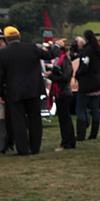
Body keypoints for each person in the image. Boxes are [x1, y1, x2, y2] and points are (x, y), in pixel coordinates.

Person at [0, 26, 58, 155]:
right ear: (19, 37)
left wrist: (1, 94)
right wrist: (57, 46)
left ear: (6, 39)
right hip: (33, 89)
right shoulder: (31, 47)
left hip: (14, 92)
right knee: (35, 119)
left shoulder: (3, 53)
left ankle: (23, 149)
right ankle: (35, 147)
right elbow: (48, 55)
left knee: (18, 122)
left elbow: (1, 76)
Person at [74, 29, 100, 141]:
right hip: (96, 82)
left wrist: (78, 74)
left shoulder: (86, 51)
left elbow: (85, 66)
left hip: (86, 83)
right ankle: (94, 134)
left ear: (85, 38)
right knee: (95, 109)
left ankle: (81, 134)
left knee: (81, 109)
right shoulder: (97, 50)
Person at [47, 38, 76, 151]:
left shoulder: (64, 60)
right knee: (65, 118)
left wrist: (50, 76)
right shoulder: (62, 59)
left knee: (64, 119)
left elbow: (65, 77)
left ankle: (66, 142)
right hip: (61, 92)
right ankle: (70, 141)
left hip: (63, 92)